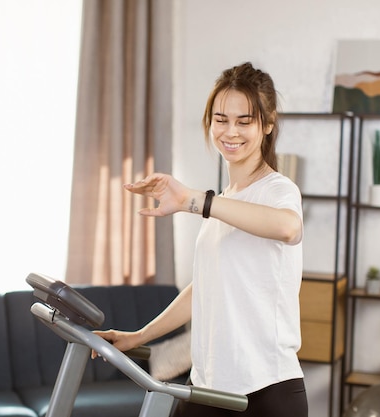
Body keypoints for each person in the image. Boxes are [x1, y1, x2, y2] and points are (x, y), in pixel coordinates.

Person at [94, 62, 308, 417]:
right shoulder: (227, 197)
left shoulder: (277, 189)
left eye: (245, 120)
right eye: (221, 119)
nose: (230, 131)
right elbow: (203, 287)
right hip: (210, 384)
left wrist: (196, 202)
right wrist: (138, 336)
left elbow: (288, 228)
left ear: (268, 125)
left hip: (265, 389)